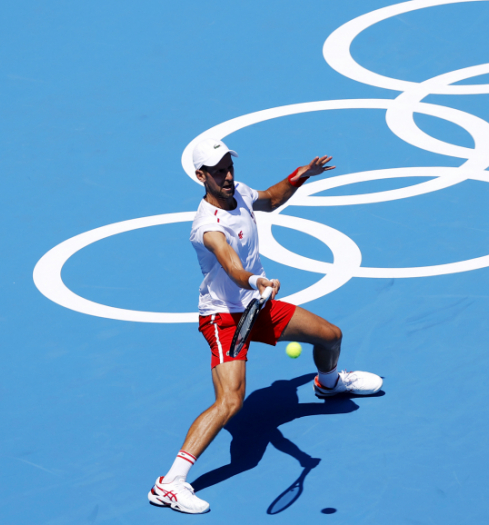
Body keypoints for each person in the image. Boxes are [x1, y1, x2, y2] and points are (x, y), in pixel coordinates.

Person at [148, 138, 383, 514]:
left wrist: (301, 175)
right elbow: (232, 267)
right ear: (200, 176)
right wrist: (255, 282)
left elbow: (270, 199)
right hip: (225, 318)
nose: (227, 175)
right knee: (231, 401)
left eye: (229, 166)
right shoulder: (208, 227)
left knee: (330, 336)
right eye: (218, 170)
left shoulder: (237, 190)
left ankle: (330, 383)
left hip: (256, 307)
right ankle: (169, 483)